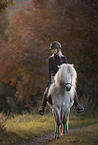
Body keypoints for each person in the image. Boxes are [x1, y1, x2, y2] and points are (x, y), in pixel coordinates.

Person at [39, 41, 84, 115]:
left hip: (62, 77)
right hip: (54, 76)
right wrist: (50, 79)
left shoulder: (63, 58)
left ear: (58, 49)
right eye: (52, 49)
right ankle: (43, 107)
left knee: (72, 89)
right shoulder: (51, 59)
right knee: (47, 90)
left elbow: (66, 69)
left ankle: (77, 105)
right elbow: (50, 70)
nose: (53, 50)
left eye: (54, 49)